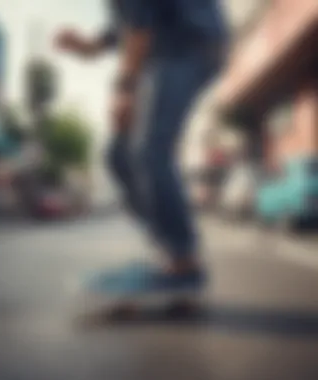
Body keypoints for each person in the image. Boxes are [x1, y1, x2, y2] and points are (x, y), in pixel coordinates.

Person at [55, 0, 228, 285]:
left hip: (191, 44)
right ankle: (172, 253)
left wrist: (125, 89)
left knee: (150, 150)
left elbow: (140, 26)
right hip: (168, 51)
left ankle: (182, 261)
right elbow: (123, 29)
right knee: (118, 155)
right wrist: (85, 45)